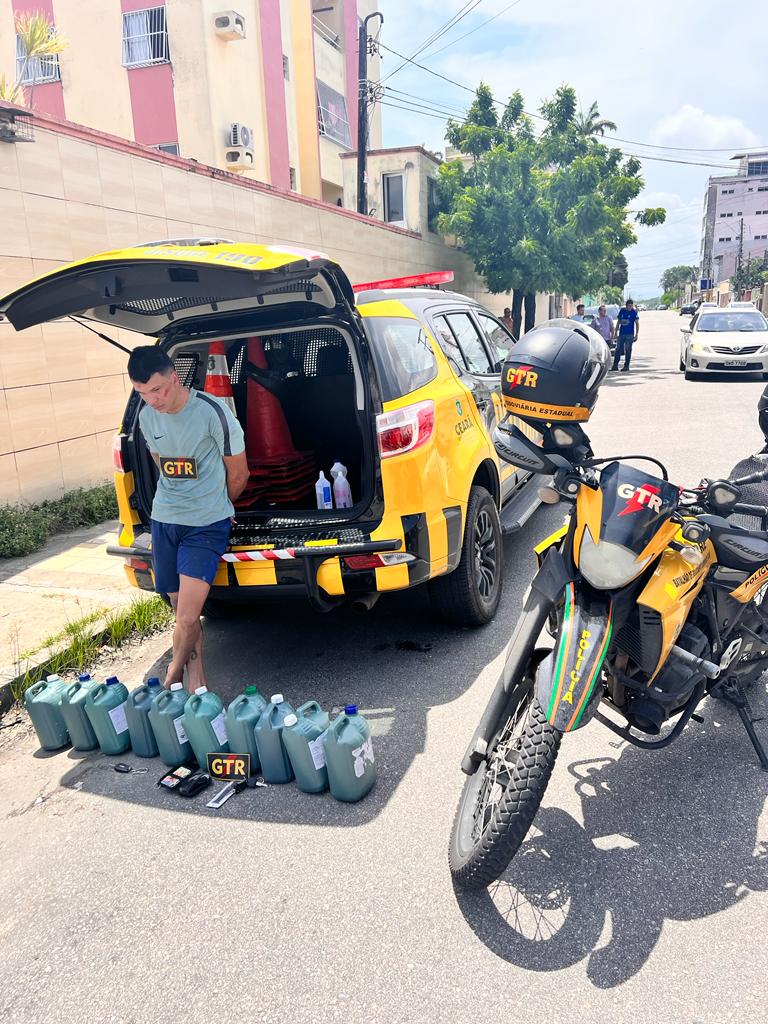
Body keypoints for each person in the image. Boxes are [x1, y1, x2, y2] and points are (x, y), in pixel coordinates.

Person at [127, 346, 250, 690]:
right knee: (180, 609)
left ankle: (169, 678)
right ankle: (197, 675)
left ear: (175, 378)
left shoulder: (213, 412)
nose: (152, 400)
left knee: (186, 616)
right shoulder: (147, 416)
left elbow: (239, 475)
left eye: (157, 390)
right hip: (165, 520)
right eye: (141, 393)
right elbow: (160, 464)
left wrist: (219, 506)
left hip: (206, 524)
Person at [612, 298, 640, 371]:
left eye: (631, 306)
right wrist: (615, 332)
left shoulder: (634, 312)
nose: (630, 307)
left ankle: (626, 366)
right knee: (618, 349)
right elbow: (618, 322)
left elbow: (637, 323)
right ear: (626, 306)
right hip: (621, 333)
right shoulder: (622, 311)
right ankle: (615, 365)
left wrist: (636, 334)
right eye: (629, 306)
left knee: (628, 349)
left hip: (630, 334)